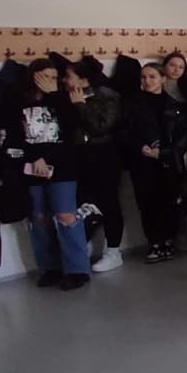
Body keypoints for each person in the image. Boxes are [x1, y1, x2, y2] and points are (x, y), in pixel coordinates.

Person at [0, 57, 90, 290]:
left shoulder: (62, 99)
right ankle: (50, 268)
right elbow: (13, 135)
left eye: (53, 77)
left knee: (65, 215)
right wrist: (33, 157)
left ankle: (78, 269)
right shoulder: (16, 100)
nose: (49, 81)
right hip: (31, 166)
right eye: (44, 77)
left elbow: (73, 128)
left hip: (62, 166)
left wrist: (54, 96)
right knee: (38, 217)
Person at [64, 61, 127, 273]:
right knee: (83, 202)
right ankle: (85, 244)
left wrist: (80, 106)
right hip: (79, 156)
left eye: (69, 76)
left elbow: (101, 126)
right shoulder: (66, 97)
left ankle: (114, 251)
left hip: (104, 155)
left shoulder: (105, 96)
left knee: (108, 203)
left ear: (83, 79)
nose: (65, 80)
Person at [123, 63, 187, 263]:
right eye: (144, 77)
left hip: (167, 162)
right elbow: (125, 132)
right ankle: (155, 243)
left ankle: (168, 241)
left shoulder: (174, 106)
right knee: (148, 203)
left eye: (152, 77)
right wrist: (140, 147)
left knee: (169, 201)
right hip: (143, 162)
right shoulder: (132, 105)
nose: (147, 81)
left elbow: (181, 137)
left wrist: (165, 152)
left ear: (162, 78)